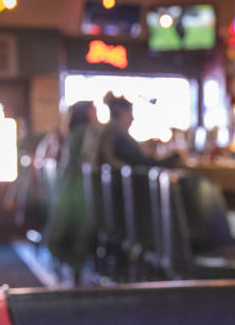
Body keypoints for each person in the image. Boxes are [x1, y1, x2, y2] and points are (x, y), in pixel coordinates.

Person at [46, 101, 97, 283]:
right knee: (83, 225)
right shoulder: (88, 132)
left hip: (68, 185)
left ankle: (69, 263)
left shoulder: (71, 133)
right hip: (80, 187)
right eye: (94, 110)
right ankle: (77, 264)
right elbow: (92, 162)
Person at [95, 94, 182, 169]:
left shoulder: (111, 132)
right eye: (130, 113)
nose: (132, 118)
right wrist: (174, 157)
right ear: (122, 112)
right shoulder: (118, 136)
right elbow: (143, 164)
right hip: (131, 184)